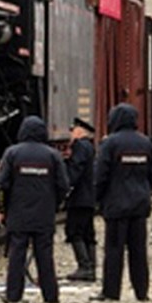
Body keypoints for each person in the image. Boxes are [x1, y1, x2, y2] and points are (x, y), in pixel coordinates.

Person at [0, 115, 69, 303]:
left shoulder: (12, 154)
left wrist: (1, 209)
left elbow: (1, 185)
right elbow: (63, 186)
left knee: (16, 255)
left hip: (18, 215)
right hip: (44, 215)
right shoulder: (53, 155)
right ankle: (51, 296)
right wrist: (54, 205)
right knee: (45, 256)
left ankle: (13, 295)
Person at [93, 103, 152, 303]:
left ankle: (111, 292)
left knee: (113, 250)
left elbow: (101, 175)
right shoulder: (146, 144)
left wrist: (97, 199)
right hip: (139, 205)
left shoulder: (110, 144)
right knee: (138, 251)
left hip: (116, 205)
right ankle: (141, 292)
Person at [64, 116, 97, 282]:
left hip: (79, 198)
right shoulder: (90, 147)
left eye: (72, 130)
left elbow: (75, 169)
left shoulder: (80, 147)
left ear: (79, 131)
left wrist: (66, 185)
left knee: (75, 231)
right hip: (89, 197)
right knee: (88, 233)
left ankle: (85, 267)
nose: (70, 133)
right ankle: (91, 266)